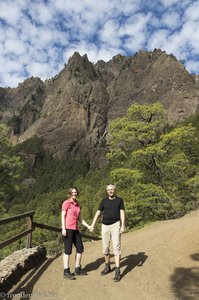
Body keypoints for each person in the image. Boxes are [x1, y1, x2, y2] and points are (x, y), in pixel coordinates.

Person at [90, 184, 125, 282]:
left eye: (112, 189)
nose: (110, 191)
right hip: (104, 226)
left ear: (115, 190)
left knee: (116, 247)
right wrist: (92, 224)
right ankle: (107, 266)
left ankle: (117, 270)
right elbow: (98, 212)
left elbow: (122, 212)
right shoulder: (104, 201)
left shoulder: (119, 200)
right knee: (105, 247)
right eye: (109, 190)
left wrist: (122, 225)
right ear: (107, 191)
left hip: (115, 225)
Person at [61, 186, 91, 280]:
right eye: (72, 192)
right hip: (68, 229)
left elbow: (80, 219)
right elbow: (63, 216)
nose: (74, 193)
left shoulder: (77, 204)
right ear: (69, 193)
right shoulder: (66, 203)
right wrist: (63, 228)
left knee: (80, 249)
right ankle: (66, 271)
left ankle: (77, 269)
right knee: (68, 250)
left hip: (76, 229)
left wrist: (88, 226)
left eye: (75, 192)